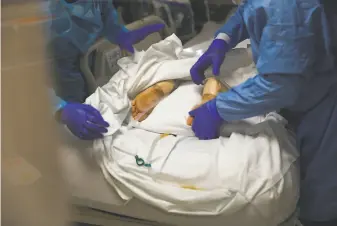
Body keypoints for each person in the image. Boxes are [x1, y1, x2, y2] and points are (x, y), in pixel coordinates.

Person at [188, 0, 337, 225]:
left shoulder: (285, 5)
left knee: (319, 197)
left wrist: (217, 109)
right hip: (302, 94)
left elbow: (281, 84)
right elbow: (250, 10)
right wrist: (222, 39)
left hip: (322, 101)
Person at [49, 0, 165, 102]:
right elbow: (66, 84)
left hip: (98, 72)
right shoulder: (50, 20)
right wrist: (74, 107)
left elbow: (109, 21)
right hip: (64, 79)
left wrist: (122, 35)